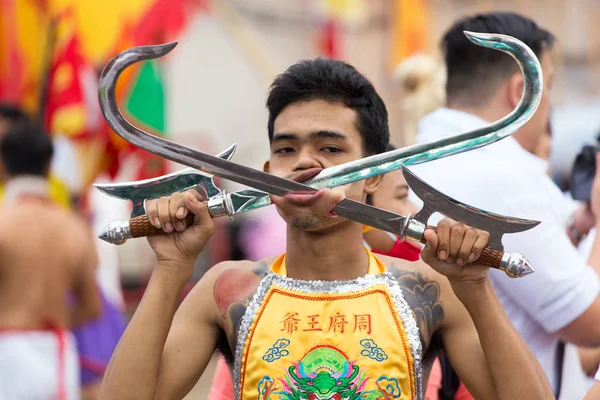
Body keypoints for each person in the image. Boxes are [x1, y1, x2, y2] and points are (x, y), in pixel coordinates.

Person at [100, 57, 552, 399]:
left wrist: (476, 288)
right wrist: (170, 268)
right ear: (266, 170)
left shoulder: (427, 290)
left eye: (331, 148)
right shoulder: (227, 290)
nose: (304, 164)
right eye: (286, 149)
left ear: (374, 173)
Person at [410, 12, 600, 399]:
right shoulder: (501, 172)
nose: (549, 107)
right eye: (550, 88)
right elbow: (589, 323)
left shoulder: (421, 153)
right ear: (521, 91)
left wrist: (582, 223)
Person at [0, 123, 101, 399]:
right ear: (48, 166)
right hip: (58, 353)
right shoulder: (73, 227)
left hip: (7, 353)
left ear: (3, 166)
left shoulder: (4, 223)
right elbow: (92, 307)